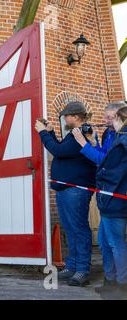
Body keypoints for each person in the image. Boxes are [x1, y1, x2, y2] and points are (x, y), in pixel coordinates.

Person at [35, 101, 96, 287]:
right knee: (70, 229)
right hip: (66, 189)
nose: (64, 119)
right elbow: (63, 148)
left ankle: (82, 270)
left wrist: (43, 133)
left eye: (66, 116)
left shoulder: (81, 134)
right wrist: (51, 132)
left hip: (75, 190)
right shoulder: (73, 134)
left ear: (76, 117)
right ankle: (72, 266)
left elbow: (58, 151)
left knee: (78, 229)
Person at [93, 106, 127, 298]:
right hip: (109, 199)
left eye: (112, 119)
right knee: (104, 242)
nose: (109, 122)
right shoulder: (118, 139)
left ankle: (122, 284)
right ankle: (110, 280)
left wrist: (103, 180)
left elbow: (111, 170)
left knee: (116, 243)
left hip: (115, 200)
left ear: (120, 119)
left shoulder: (122, 142)